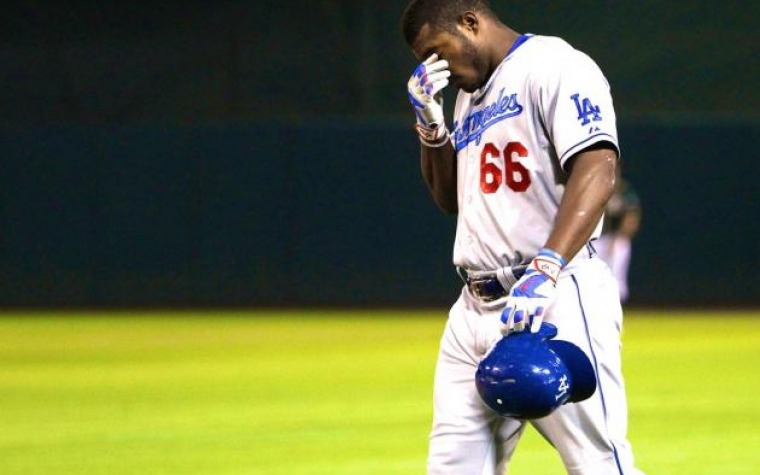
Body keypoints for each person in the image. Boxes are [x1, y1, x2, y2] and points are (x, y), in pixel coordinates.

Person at [400, 1, 645, 474]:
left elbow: (597, 167)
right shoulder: (469, 95)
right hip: (473, 306)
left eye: (437, 50)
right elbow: (450, 199)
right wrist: (432, 128)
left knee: (597, 462)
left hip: (555, 294)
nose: (434, 68)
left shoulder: (555, 65)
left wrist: (548, 266)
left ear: (471, 22)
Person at [595, 174, 642, 303]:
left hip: (615, 240)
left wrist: (615, 238)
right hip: (593, 240)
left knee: (620, 248)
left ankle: (618, 305)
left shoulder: (624, 191)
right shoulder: (594, 186)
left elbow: (632, 219)